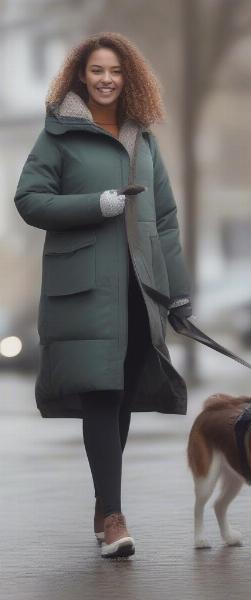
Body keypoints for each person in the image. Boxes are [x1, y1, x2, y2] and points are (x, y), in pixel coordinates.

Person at [14, 33, 191, 558]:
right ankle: (113, 516)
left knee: (124, 396)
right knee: (102, 394)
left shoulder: (145, 137)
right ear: (80, 76)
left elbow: (164, 220)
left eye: (115, 71)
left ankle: (103, 504)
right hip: (86, 289)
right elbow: (28, 199)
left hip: (140, 289)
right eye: (96, 70)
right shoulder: (59, 135)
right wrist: (97, 204)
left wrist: (177, 296)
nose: (106, 79)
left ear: (128, 76)